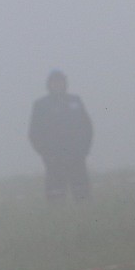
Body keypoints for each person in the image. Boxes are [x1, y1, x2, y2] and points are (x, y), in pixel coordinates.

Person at [28, 70, 93, 202]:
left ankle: (84, 212)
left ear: (65, 83)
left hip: (76, 154)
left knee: (81, 191)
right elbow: (34, 132)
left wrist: (84, 149)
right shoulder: (41, 105)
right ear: (49, 84)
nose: (58, 85)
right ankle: (58, 213)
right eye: (54, 82)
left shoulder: (75, 101)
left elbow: (87, 127)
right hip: (53, 157)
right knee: (55, 193)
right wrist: (45, 153)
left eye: (60, 81)